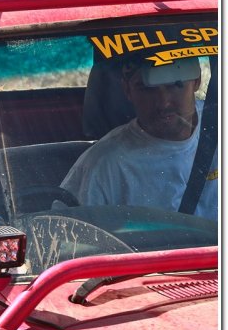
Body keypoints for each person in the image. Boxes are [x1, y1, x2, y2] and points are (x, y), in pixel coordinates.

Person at [61, 56, 217, 220]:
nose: (163, 103)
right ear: (127, 90)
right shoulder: (105, 165)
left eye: (175, 85)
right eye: (147, 89)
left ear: (197, 81)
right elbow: (67, 236)